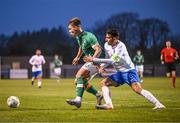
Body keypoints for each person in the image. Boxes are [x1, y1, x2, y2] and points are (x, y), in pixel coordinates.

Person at [83, 28, 165, 110]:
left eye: (108, 37)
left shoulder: (121, 46)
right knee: (103, 83)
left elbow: (113, 60)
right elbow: (107, 58)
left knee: (137, 89)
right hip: (120, 73)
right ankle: (109, 105)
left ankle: (159, 104)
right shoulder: (106, 45)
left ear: (114, 38)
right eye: (106, 37)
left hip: (129, 71)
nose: (106, 39)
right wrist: (102, 66)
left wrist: (94, 59)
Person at [66, 17, 103, 108]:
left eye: (70, 29)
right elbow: (81, 47)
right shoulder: (79, 37)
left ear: (77, 27)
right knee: (78, 81)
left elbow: (99, 49)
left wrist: (93, 59)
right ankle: (98, 94)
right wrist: (77, 57)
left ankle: (78, 100)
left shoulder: (89, 36)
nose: (69, 31)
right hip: (92, 61)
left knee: (79, 75)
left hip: (97, 61)